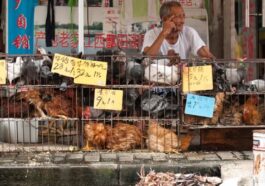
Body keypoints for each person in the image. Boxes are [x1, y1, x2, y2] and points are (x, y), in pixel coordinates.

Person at [141, 1, 214, 60]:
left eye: (183, 16)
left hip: (181, 75)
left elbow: (207, 56)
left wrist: (210, 60)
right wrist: (163, 33)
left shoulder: (189, 32)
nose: (182, 21)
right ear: (165, 19)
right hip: (158, 76)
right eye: (178, 17)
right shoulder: (152, 34)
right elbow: (147, 57)